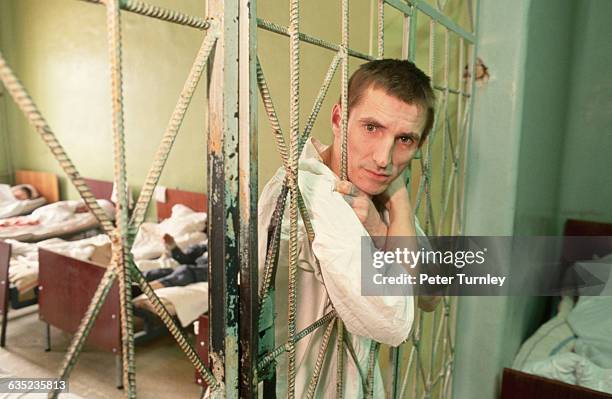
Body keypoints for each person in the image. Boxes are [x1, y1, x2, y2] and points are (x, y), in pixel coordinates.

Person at [258, 59, 439, 397]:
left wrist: (387, 218)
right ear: (340, 118)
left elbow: (431, 294)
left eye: (404, 139)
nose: (383, 157)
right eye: (372, 128)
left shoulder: (374, 189)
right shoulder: (311, 192)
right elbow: (395, 321)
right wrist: (396, 209)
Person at [132, 233, 208, 295]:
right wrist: (173, 246)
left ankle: (143, 290)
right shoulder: (206, 245)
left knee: (186, 271)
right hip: (195, 269)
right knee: (164, 272)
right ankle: (130, 279)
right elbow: (187, 260)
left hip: (211, 273)